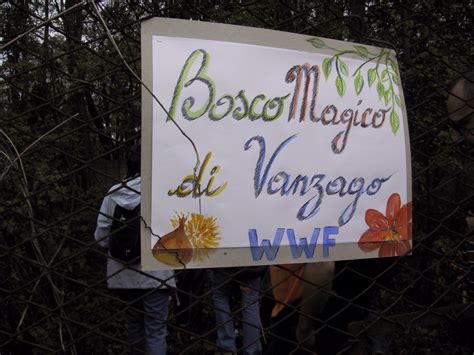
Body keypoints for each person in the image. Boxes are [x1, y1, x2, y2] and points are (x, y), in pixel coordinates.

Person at [94, 145, 175, 355]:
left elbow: (101, 236)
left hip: (124, 274)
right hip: (157, 274)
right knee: (156, 330)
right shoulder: (159, 193)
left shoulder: (113, 193)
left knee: (134, 327)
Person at [210, 266, 265, 355]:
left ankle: (226, 347)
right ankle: (252, 350)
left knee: (220, 294)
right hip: (252, 263)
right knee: (251, 303)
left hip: (223, 262)